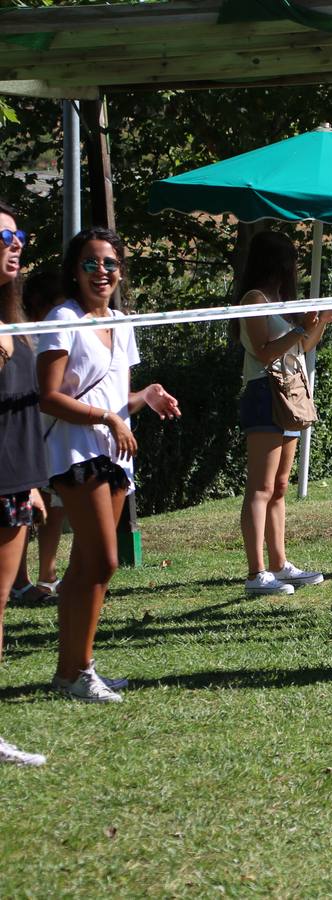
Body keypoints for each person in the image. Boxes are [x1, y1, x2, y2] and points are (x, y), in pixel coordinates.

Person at [37, 226, 181, 702]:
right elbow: (50, 399)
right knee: (103, 559)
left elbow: (120, 397)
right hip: (77, 453)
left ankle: (73, 670)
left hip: (115, 455)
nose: (102, 272)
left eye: (110, 264)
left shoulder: (122, 321)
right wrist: (108, 418)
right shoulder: (61, 318)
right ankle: (77, 670)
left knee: (91, 567)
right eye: (91, 263)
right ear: (74, 270)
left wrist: (147, 396)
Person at [235, 232, 332, 596]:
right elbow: (265, 352)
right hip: (265, 392)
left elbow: (303, 345)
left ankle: (280, 564)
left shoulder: (281, 302)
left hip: (290, 395)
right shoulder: (255, 300)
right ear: (278, 262)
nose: (294, 267)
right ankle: (256, 573)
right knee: (261, 487)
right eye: (291, 260)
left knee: (280, 486)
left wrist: (322, 321)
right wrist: (300, 325)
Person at [0, 201, 49, 762]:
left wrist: (32, 481)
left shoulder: (14, 319)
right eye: (4, 236)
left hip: (13, 482)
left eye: (19, 235)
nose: (15, 244)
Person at [10, 269, 64, 605]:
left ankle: (48, 575)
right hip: (26, 436)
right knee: (20, 511)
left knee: (53, 506)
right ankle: (19, 582)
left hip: (53, 434)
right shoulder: (25, 339)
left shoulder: (58, 333)